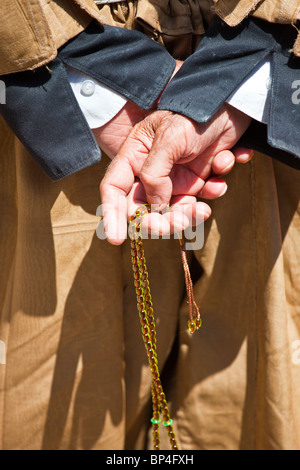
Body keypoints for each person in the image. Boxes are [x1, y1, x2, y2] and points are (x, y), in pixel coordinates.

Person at [0, 0, 298, 451]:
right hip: (57, 73)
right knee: (53, 402)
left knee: (253, 403)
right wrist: (97, 79)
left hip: (273, 99)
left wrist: (245, 81)